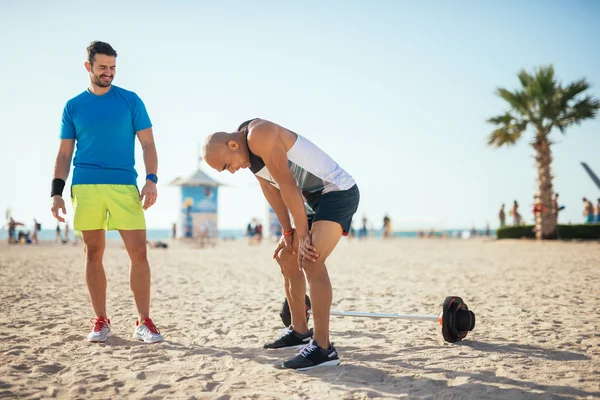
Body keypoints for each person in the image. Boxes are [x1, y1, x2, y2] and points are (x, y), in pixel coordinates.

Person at [203, 118, 359, 370]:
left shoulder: (259, 135)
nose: (232, 171)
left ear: (232, 145)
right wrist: (288, 232)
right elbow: (270, 189)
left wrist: (303, 233)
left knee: (311, 257)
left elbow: (288, 185)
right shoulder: (247, 149)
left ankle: (323, 348)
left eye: (226, 166)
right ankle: (300, 330)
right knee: (286, 256)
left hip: (337, 191)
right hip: (309, 200)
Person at [50, 41, 163, 344]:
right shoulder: (73, 106)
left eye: (113, 67)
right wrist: (56, 192)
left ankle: (144, 321)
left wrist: (151, 179)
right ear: (88, 67)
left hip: (125, 184)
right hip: (85, 185)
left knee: (139, 251)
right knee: (93, 253)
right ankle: (101, 320)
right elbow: (63, 154)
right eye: (102, 67)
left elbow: (148, 144)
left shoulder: (130, 100)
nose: (108, 73)